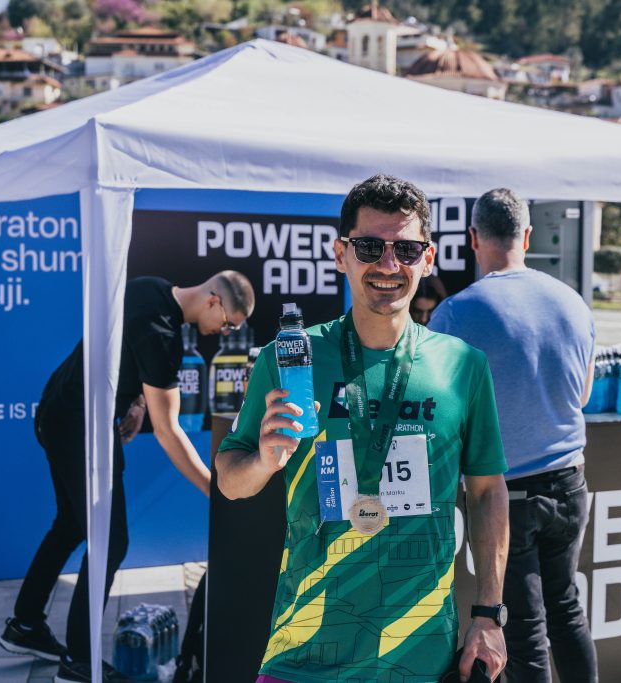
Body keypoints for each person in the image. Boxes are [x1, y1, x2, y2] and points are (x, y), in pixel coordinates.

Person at [216, 174, 510, 683]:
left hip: (420, 658)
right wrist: (262, 461)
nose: (389, 265)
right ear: (341, 254)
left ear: (428, 258)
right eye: (370, 247)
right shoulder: (290, 358)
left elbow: (487, 492)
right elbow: (229, 480)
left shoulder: (464, 366)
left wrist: (489, 614)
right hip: (303, 655)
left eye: (406, 249)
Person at [0, 272, 255, 683]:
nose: (223, 333)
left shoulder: (146, 288)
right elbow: (169, 431)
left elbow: (118, 352)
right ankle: (79, 661)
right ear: (213, 301)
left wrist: (134, 401)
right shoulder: (163, 337)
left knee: (70, 525)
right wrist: (218, 489)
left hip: (57, 410)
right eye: (228, 324)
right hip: (81, 429)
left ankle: (26, 624)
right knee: (111, 540)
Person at [429, 188, 598, 683]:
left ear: (473, 238)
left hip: (506, 494)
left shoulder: (456, 313)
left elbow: (438, 410)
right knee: (566, 610)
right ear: (526, 236)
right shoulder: (572, 302)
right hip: (570, 483)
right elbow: (583, 394)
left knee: (523, 631)